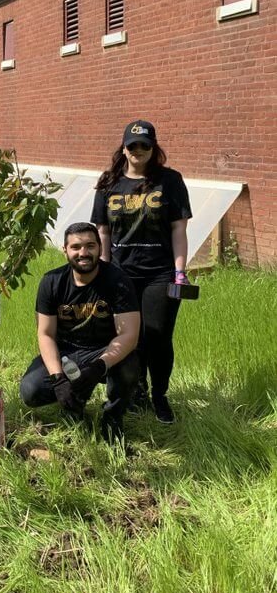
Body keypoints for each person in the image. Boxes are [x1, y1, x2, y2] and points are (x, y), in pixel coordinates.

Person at [91, 120, 193, 424]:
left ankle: (160, 396)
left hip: (160, 272)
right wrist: (105, 269)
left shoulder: (170, 181)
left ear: (154, 148)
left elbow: (178, 229)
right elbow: (103, 231)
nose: (138, 150)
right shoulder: (109, 182)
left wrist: (180, 271)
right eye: (133, 145)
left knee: (158, 335)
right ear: (124, 148)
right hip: (122, 273)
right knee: (127, 337)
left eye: (144, 145)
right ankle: (137, 390)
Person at [20, 222, 140, 443]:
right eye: (76, 247)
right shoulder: (51, 282)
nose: (83, 253)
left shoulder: (118, 281)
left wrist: (99, 367)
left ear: (100, 249)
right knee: (31, 391)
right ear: (65, 250)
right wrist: (58, 379)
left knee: (130, 366)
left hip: (103, 350)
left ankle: (112, 418)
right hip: (67, 353)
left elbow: (129, 335)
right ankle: (73, 406)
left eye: (90, 246)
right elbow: (45, 334)